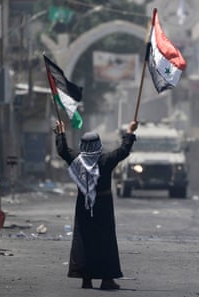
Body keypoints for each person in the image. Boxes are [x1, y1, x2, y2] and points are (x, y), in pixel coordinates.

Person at [54, 119, 138, 290]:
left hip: (83, 205)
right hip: (103, 206)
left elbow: (63, 150)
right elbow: (124, 150)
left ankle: (86, 278)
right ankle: (107, 279)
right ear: (98, 144)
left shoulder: (77, 160)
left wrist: (60, 133)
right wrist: (130, 132)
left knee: (85, 240)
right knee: (105, 241)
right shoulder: (106, 160)